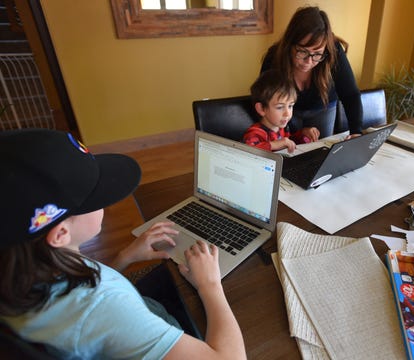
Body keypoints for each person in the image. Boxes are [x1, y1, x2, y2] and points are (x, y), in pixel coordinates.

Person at [0, 129, 246, 359]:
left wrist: (125, 257)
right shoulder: (102, 307)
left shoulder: (23, 268)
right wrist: (210, 285)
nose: (106, 204)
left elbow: (87, 305)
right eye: (95, 198)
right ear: (60, 233)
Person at [260, 6, 364, 140]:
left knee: (321, 150)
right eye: (302, 51)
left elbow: (350, 94)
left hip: (323, 108)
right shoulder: (274, 57)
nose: (308, 61)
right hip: (285, 111)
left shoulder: (333, 52)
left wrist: (356, 131)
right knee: (288, 150)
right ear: (290, 43)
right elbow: (264, 99)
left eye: (317, 54)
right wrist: (292, 132)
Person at [243, 69, 318, 153]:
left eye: (290, 106)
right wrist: (274, 145)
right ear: (261, 109)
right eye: (280, 107)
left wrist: (303, 134)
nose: (287, 113)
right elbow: (248, 151)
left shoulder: (281, 128)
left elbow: (289, 142)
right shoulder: (255, 133)